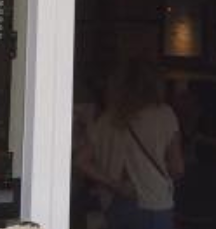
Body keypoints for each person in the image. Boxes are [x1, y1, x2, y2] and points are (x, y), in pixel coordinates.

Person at [78, 60, 184, 229]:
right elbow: (177, 167)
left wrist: (115, 184)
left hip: (115, 202)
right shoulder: (164, 114)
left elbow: (81, 161)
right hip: (154, 203)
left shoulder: (107, 119)